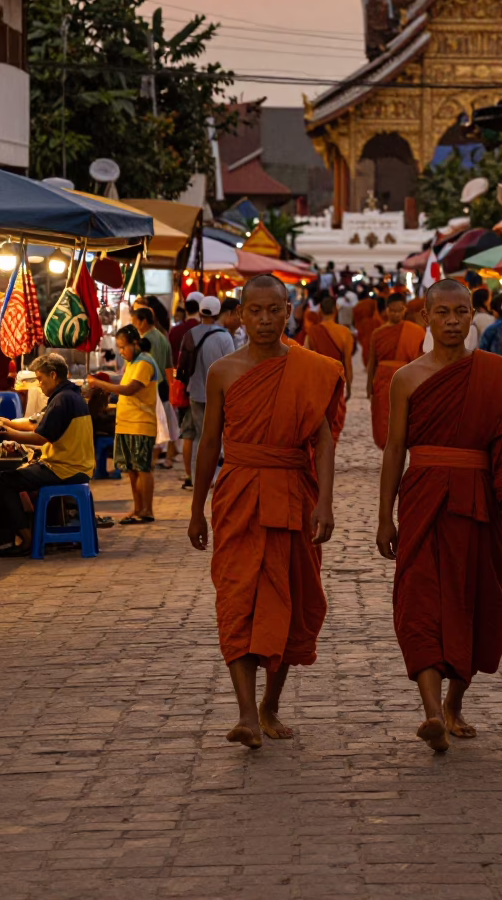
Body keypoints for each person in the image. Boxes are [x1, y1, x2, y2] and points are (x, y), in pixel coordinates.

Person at [187, 274, 342, 749]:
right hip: (237, 494)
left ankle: (270, 706)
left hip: (293, 493)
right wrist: (196, 509)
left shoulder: (311, 368)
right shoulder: (225, 372)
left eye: (274, 310)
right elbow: (209, 441)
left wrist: (325, 502)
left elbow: (323, 440)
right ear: (241, 313)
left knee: (290, 600)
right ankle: (244, 715)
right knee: (236, 598)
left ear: (289, 310)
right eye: (255, 311)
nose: (265, 320)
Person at [376, 279, 502, 752]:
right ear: (426, 318)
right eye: (442, 313)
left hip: (478, 498)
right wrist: (385, 515)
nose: (452, 321)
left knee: (478, 600)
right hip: (423, 497)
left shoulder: (496, 375)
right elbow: (395, 449)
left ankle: (454, 703)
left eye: (461, 312)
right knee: (419, 599)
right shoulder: (408, 378)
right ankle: (430, 711)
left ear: (471, 315)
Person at [0, 353, 94, 557]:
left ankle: (27, 539)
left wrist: (7, 434)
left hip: (64, 468)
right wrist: (7, 423)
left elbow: (41, 437)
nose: (39, 385)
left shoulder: (62, 400)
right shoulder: (70, 395)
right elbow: (36, 423)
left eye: (41, 379)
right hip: (76, 465)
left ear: (53, 375)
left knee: (4, 481)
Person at [88, 326, 159, 524]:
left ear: (135, 343)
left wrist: (99, 384)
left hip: (141, 423)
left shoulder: (145, 362)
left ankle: (147, 510)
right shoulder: (131, 363)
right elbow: (122, 383)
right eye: (118, 348)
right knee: (131, 469)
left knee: (142, 468)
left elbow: (129, 389)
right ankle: (137, 509)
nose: (121, 351)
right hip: (125, 423)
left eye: (123, 347)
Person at [177, 295, 236, 473]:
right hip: (219, 394)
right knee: (216, 434)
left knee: (200, 436)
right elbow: (232, 366)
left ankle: (198, 474)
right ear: (218, 312)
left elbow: (182, 364)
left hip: (195, 391)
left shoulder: (190, 334)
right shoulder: (224, 337)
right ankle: (214, 474)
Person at [366, 292, 425, 449]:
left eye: (399, 310)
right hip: (383, 378)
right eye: (392, 310)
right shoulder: (378, 333)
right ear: (386, 310)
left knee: (403, 414)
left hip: (405, 376)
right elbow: (372, 361)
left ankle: (401, 445)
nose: (396, 314)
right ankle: (386, 447)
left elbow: (420, 359)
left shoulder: (416, 331)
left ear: (405, 309)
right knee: (382, 415)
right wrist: (368, 385)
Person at [132, 305, 178, 470]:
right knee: (166, 422)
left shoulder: (146, 340)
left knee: (154, 424)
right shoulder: (162, 336)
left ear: (143, 321)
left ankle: (150, 460)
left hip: (151, 386)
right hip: (164, 385)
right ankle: (165, 458)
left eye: (135, 321)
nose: (134, 325)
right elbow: (169, 365)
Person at [304, 296, 353, 445]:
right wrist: (349, 386)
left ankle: (318, 456)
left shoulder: (312, 332)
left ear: (320, 311)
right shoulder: (344, 332)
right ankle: (329, 451)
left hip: (317, 381)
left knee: (318, 420)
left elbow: (305, 358)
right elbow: (348, 363)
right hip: (336, 381)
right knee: (334, 421)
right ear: (335, 310)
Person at [170, 295, 202, 489]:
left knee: (187, 434)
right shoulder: (199, 331)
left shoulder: (175, 331)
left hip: (181, 387)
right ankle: (200, 474)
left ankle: (190, 474)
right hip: (199, 387)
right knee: (201, 433)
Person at [353, 291, 382, 366]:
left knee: (365, 344)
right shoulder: (372, 302)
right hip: (373, 325)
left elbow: (354, 319)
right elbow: (377, 314)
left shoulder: (356, 306)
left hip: (361, 327)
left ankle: (367, 363)